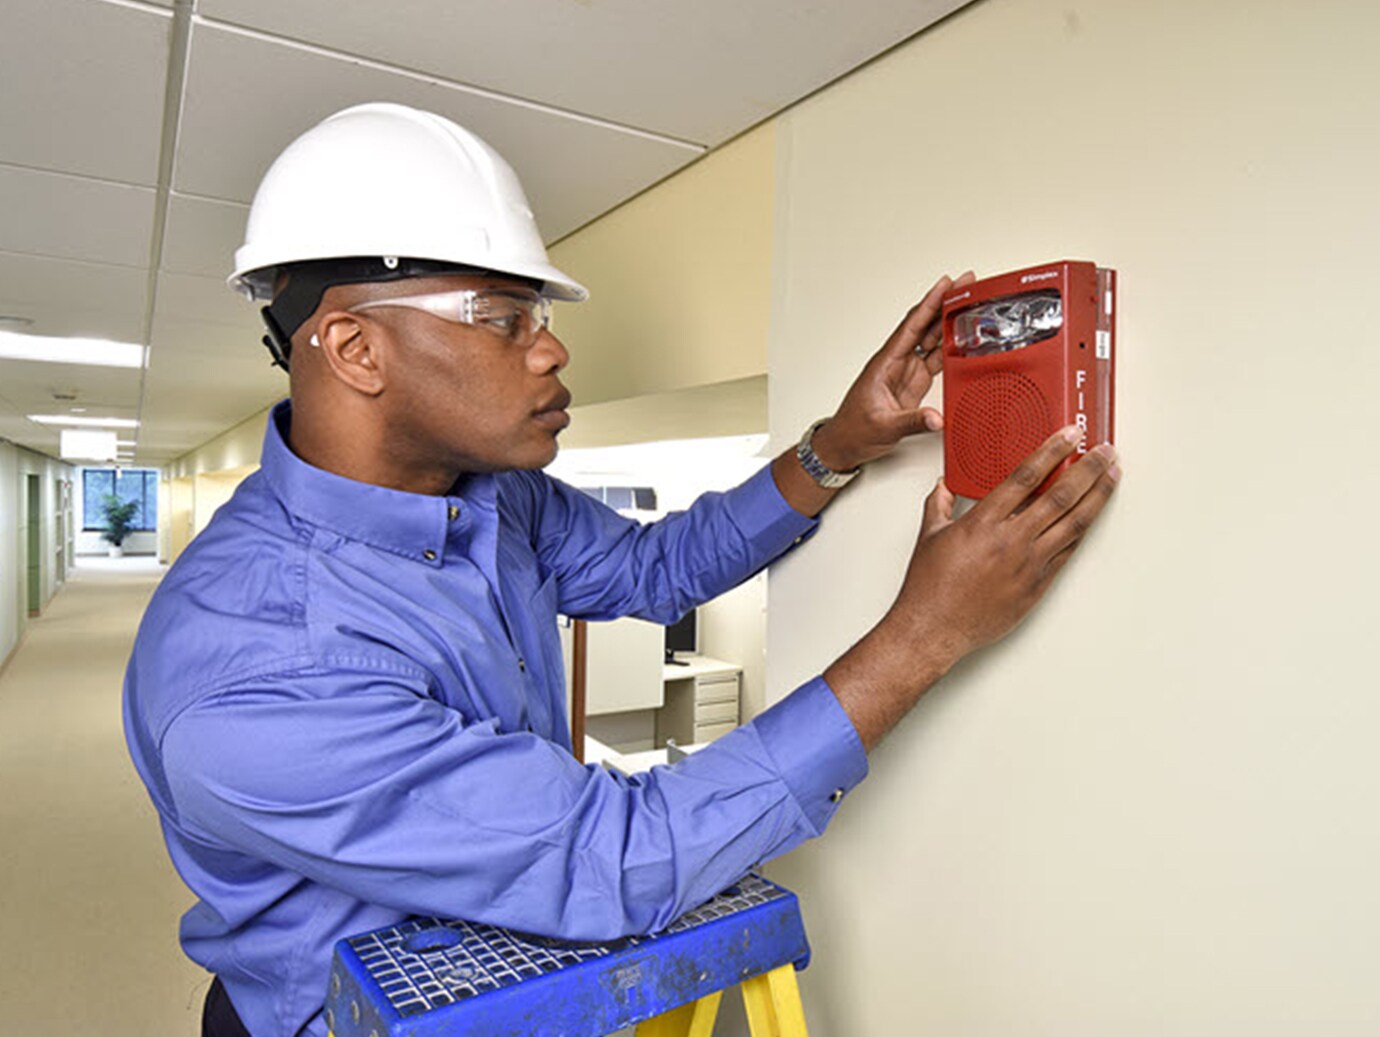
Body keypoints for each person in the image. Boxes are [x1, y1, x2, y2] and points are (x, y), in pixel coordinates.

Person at [123, 103, 1119, 1037]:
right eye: (505, 316)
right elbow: (609, 857)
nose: (553, 349)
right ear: (355, 348)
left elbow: (654, 565)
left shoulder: (484, 491)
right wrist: (925, 634)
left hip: (505, 956)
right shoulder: (256, 669)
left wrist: (839, 445)